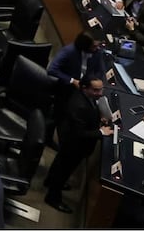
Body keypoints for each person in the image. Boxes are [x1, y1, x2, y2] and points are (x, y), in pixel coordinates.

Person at [44, 77, 113, 212]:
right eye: (96, 90)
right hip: (73, 145)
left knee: (60, 164)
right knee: (64, 171)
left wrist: (98, 119)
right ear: (84, 88)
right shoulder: (79, 105)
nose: (100, 93)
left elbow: (90, 113)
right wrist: (100, 132)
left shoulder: (86, 97)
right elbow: (79, 134)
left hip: (70, 142)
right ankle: (53, 198)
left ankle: (49, 182)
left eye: (101, 89)